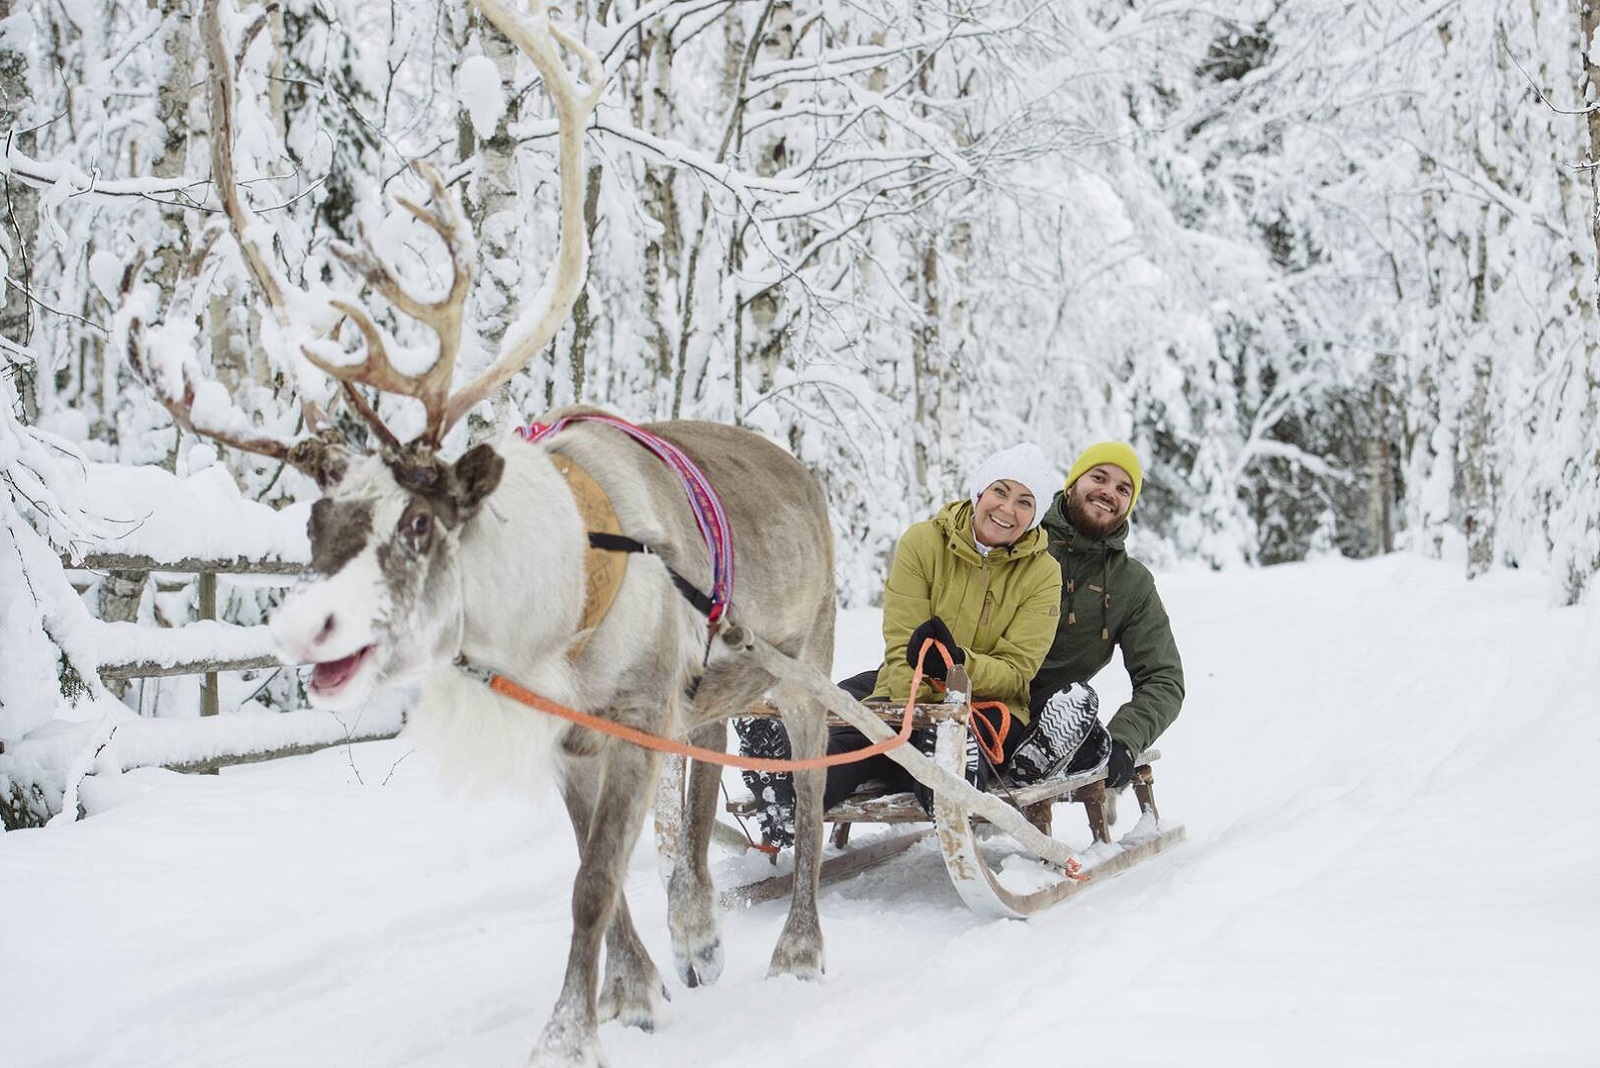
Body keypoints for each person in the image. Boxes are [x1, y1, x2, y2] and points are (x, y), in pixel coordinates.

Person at [737, 443, 1109, 846]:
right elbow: (900, 647)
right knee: (857, 743)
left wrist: (957, 668)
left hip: (984, 708)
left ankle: (947, 776)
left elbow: (1017, 671)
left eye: (1024, 502)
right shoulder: (923, 543)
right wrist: (916, 707)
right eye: (1000, 491)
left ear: (1034, 516)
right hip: (902, 692)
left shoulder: (1042, 573)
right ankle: (785, 791)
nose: (1007, 509)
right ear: (980, 491)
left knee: (951, 744)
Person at [1030, 442, 1185, 793]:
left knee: (1076, 705)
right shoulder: (1022, 537)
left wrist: (1124, 739)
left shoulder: (1132, 583)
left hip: (1056, 714)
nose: (1108, 493)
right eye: (1098, 477)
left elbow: (1163, 677)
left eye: (1123, 488)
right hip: (985, 692)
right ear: (1072, 484)